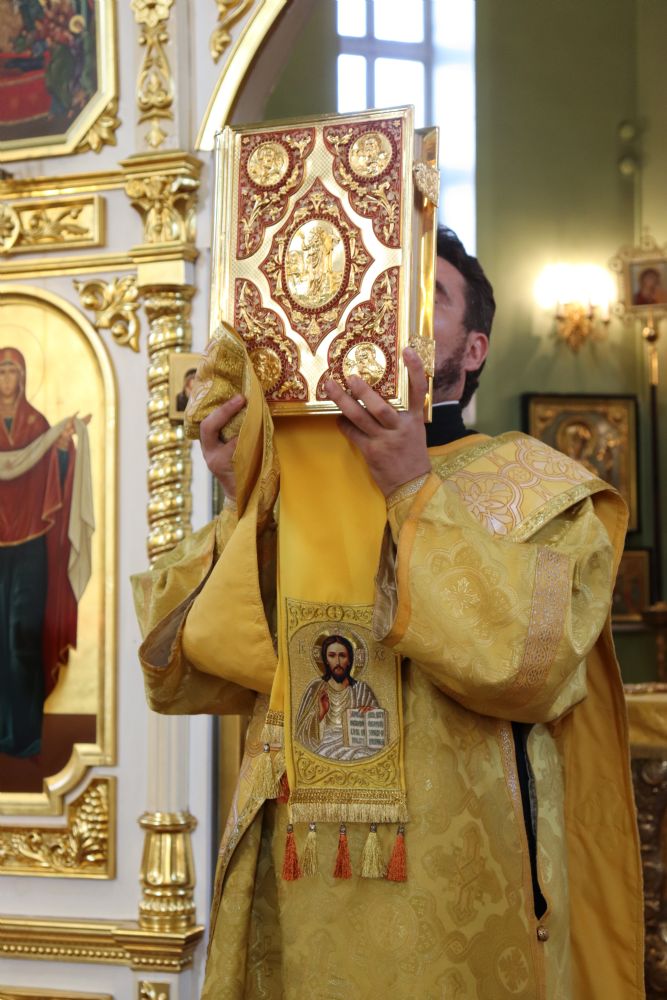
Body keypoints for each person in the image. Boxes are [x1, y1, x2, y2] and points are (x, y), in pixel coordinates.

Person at [133, 227, 644, 999]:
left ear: (473, 349)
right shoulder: (297, 488)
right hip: (296, 886)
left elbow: (525, 670)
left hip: (464, 899)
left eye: (425, 297)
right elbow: (193, 672)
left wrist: (410, 488)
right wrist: (244, 503)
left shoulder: (545, 491)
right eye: (383, 289)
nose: (394, 312)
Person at [0, 347, 92, 758]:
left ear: (22, 378)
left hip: (30, 546)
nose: (6, 379)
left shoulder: (37, 425)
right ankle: (4, 730)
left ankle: (27, 733)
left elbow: (54, 476)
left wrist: (62, 448)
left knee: (23, 635)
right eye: (1, 371)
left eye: (12, 371)